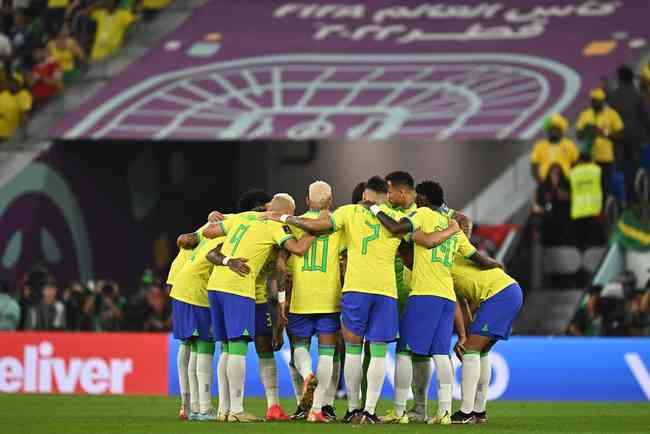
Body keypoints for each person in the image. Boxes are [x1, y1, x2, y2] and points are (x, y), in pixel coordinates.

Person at [370, 181, 498, 425]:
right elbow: (477, 258)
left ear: (425, 199)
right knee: (440, 353)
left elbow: (397, 228)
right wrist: (497, 265)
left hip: (424, 294)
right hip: (447, 297)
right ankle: (445, 412)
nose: (416, 199)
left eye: (419, 196)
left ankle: (399, 411)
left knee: (404, 351)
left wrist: (375, 210)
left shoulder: (423, 214)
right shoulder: (454, 227)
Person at [203, 193, 315, 422]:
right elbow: (297, 250)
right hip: (240, 288)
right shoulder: (276, 225)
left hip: (218, 285)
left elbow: (208, 231)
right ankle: (236, 410)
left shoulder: (242, 217)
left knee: (226, 347)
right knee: (237, 347)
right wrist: (314, 232)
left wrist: (215, 218)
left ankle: (226, 409)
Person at [281, 181, 344, 423]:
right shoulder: (337, 225)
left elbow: (284, 262)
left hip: (301, 298)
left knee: (299, 347)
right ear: (330, 201)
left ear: (307, 201)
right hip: (329, 297)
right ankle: (318, 408)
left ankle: (307, 375)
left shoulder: (293, 224)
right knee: (329, 353)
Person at [449, 249, 523, 424]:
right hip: (509, 291)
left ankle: (466, 412)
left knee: (470, 351)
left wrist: (462, 336)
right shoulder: (461, 256)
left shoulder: (443, 263)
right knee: (480, 352)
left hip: (499, 295)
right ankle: (479, 411)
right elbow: (466, 302)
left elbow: (456, 305)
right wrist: (466, 333)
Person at [608, 66, 650, 203]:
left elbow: (608, 119)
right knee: (637, 168)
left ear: (619, 78)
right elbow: (646, 117)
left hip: (619, 139)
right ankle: (641, 199)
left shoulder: (613, 97)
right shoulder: (638, 95)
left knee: (621, 169)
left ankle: (626, 201)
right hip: (637, 139)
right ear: (632, 78)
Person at [576, 88, 624, 198]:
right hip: (588, 158)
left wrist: (604, 133)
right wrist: (587, 130)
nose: (594, 103)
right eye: (592, 100)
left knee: (605, 188)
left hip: (606, 158)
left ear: (603, 100)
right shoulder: (585, 114)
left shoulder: (612, 114)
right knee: (591, 188)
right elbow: (579, 135)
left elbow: (620, 134)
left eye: (596, 100)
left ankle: (606, 211)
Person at [569, 153, 605, 249]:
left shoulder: (573, 172)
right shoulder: (597, 170)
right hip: (595, 211)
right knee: (594, 242)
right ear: (590, 160)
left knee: (581, 243)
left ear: (578, 161)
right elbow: (605, 188)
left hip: (578, 212)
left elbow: (568, 190)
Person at [530, 113, 579, 183]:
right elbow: (534, 166)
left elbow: (575, 163)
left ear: (561, 130)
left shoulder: (570, 145)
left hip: (565, 182)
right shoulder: (539, 146)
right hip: (545, 182)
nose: (552, 131)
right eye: (550, 129)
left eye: (555, 129)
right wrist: (539, 181)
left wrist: (571, 178)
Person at [532, 164, 571, 246]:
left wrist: (556, 188)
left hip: (562, 221)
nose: (555, 176)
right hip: (547, 221)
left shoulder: (566, 184)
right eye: (553, 173)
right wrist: (541, 209)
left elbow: (568, 198)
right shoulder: (543, 186)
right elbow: (535, 205)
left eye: (558, 174)